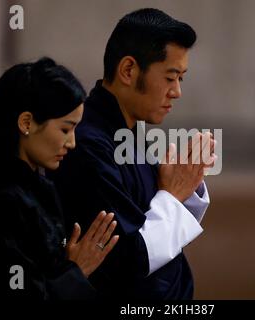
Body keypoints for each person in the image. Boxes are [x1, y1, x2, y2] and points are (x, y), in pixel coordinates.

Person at [50, 8, 216, 300]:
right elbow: (132, 257)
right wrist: (173, 196)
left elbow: (155, 218)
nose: (177, 91)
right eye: (170, 77)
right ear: (128, 70)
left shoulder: (126, 129)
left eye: (181, 79)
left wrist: (184, 186)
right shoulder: (88, 145)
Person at [0, 57, 119, 300]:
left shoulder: (39, 186)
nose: (72, 143)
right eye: (65, 129)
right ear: (26, 122)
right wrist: (77, 270)